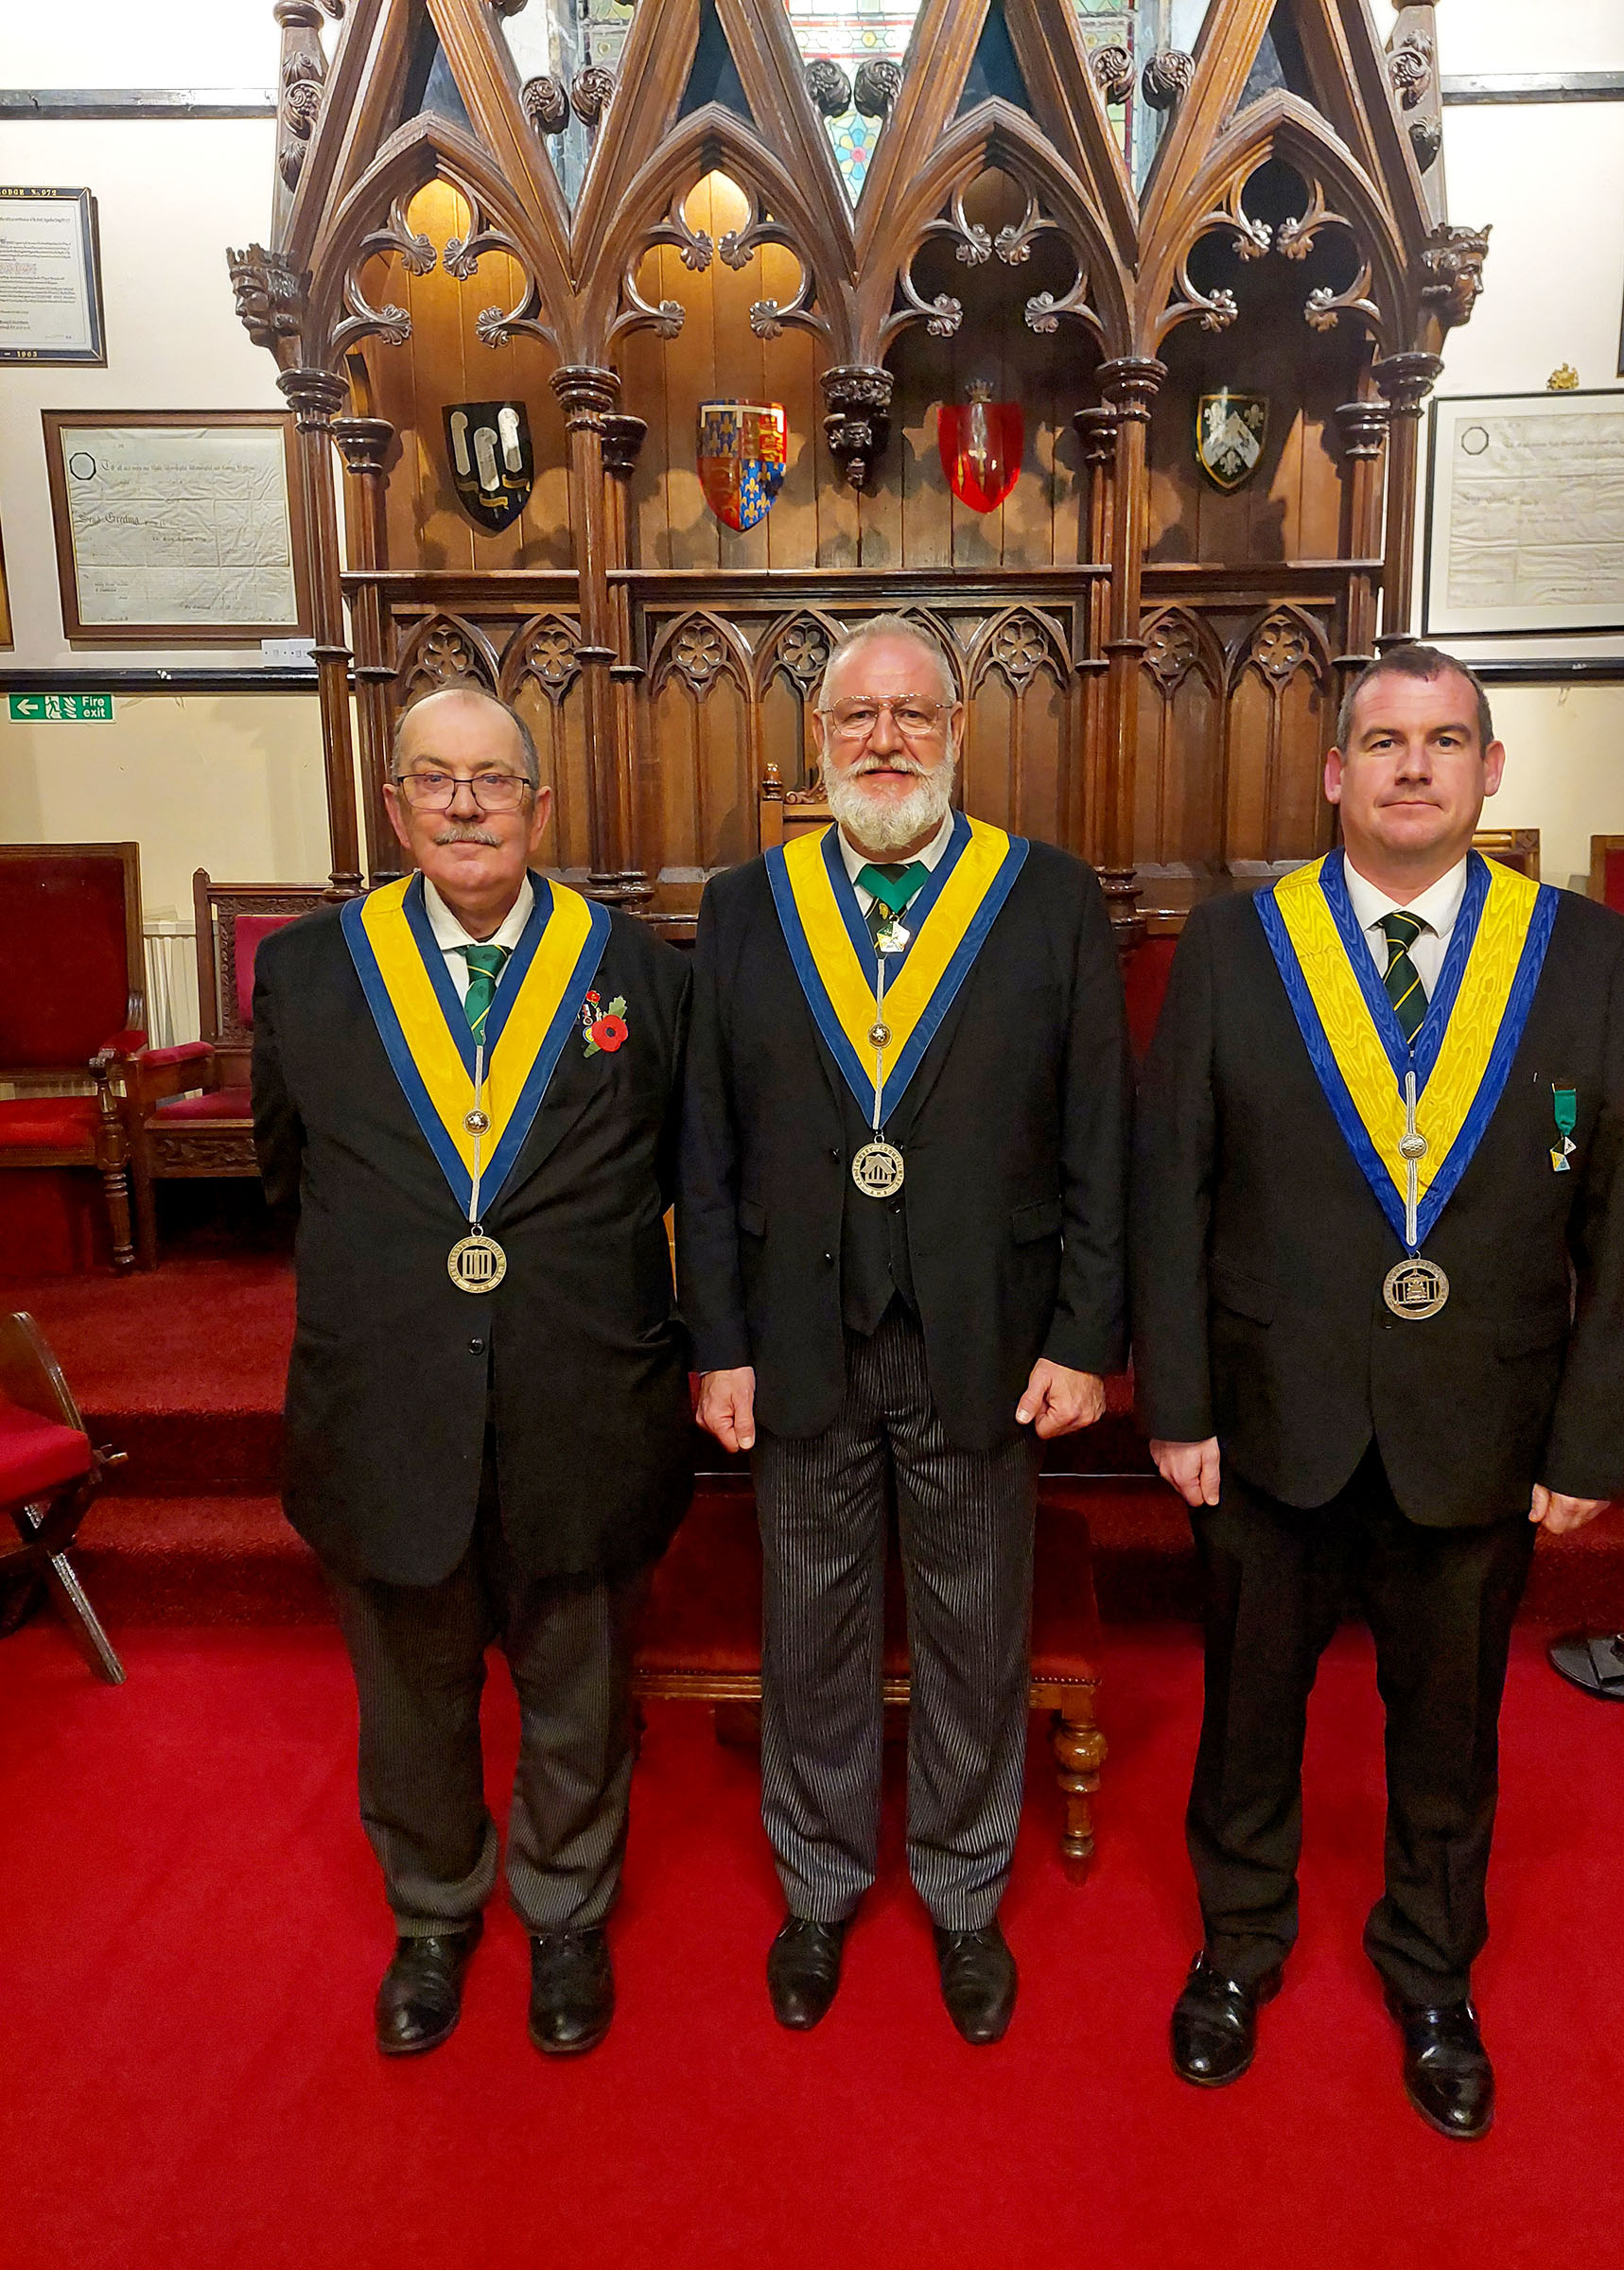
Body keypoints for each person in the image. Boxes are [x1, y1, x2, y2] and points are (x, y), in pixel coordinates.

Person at [1134, 641, 1624, 2139]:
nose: (1413, 767)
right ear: (1334, 773)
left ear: (1491, 771)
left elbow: (1621, 1216)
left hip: (1479, 1426)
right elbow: (1170, 1185)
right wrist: (1174, 1405)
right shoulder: (1239, 948)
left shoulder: (1583, 957)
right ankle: (1237, 1949)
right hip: (1267, 1418)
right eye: (1383, 742)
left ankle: (1433, 1971)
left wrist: (1595, 1434)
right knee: (1249, 1716)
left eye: (1445, 742)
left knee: (1450, 1728)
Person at [678, 614, 1128, 2045]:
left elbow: (1097, 1141)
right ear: (818, 744)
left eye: (912, 716)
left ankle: (962, 1889)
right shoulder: (747, 907)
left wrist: (1082, 1334)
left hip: (985, 1331)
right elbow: (706, 1142)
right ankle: (818, 1888)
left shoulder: (1049, 899)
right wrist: (717, 1339)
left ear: (958, 735)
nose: (885, 741)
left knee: (976, 1623)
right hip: (800, 1324)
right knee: (807, 1621)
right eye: (857, 720)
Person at [251, 683, 693, 2058]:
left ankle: (564, 1914)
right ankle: (435, 1914)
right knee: (411, 1694)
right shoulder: (310, 972)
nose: (462, 804)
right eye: (433, 779)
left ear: (539, 808)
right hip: (387, 1403)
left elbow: (683, 1170)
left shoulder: (640, 971)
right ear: (393, 805)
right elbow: (286, 1174)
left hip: (584, 1397)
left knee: (577, 1686)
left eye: (492, 781)